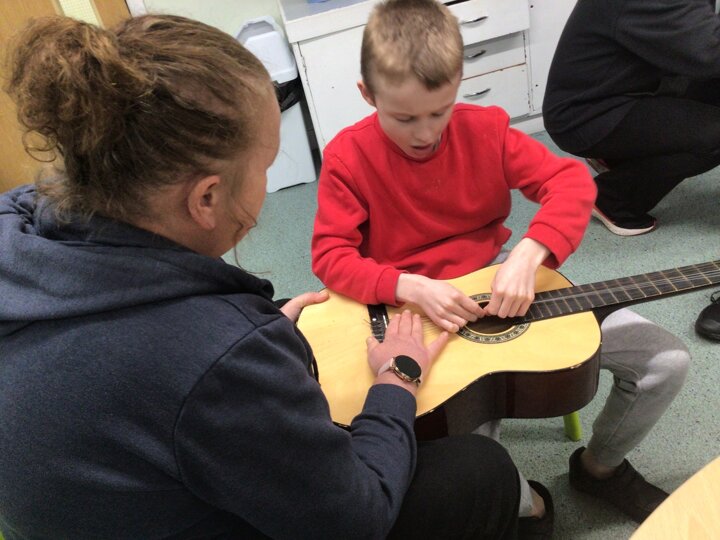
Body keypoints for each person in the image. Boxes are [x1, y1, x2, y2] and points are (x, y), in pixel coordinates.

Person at [0, 14, 522, 539]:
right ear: (206, 198)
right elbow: (357, 520)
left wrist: (251, 341)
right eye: (266, 166)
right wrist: (397, 378)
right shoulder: (219, 356)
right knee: (480, 470)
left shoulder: (16, 219)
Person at [311, 0, 692, 532]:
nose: (425, 133)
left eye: (440, 111)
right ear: (367, 94)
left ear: (459, 84)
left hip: (496, 279)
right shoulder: (347, 156)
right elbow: (330, 256)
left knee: (667, 361)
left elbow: (570, 182)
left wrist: (531, 253)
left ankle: (599, 469)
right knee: (476, 460)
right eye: (404, 118)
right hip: (409, 311)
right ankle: (527, 505)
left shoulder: (485, 128)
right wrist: (408, 286)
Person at [543, 0, 720, 237]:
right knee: (714, 136)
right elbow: (709, 51)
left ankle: (622, 159)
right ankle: (613, 199)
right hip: (586, 115)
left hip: (630, 86)